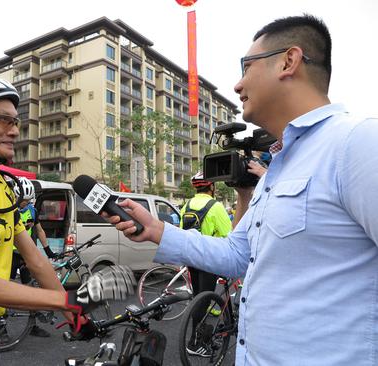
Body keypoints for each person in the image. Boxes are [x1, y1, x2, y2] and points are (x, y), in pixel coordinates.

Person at [106, 15, 378, 365]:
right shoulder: (276, 169)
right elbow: (237, 255)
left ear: (288, 61)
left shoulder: (356, 143)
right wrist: (158, 230)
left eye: (246, 67)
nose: (237, 85)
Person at [0, 76, 132, 366]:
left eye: (16, 122)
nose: (15, 131)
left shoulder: (2, 186)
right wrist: (68, 301)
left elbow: (35, 260)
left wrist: (75, 316)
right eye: (3, 120)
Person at [180, 172, 231, 356]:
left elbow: (182, 233)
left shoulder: (186, 205)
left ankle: (196, 339)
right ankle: (195, 343)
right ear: (211, 187)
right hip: (209, 259)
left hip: (191, 259)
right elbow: (229, 234)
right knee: (204, 300)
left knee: (198, 298)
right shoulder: (215, 206)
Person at [10, 176, 56, 338]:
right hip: (9, 255)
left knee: (30, 289)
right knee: (5, 288)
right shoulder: (9, 210)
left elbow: (40, 230)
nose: (26, 203)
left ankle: (32, 326)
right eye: (23, 200)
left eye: (28, 200)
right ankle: (0, 328)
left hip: (25, 254)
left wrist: (48, 249)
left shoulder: (32, 210)